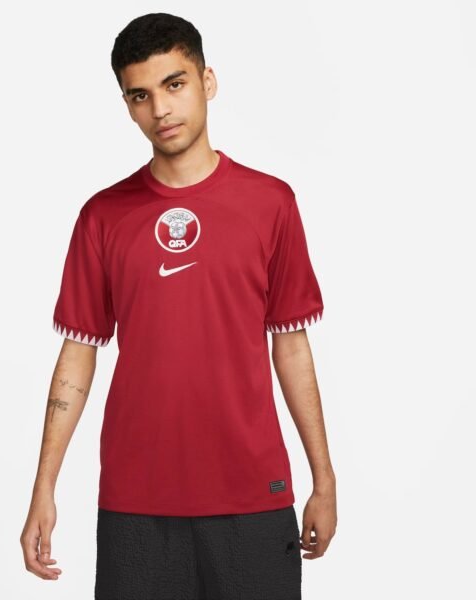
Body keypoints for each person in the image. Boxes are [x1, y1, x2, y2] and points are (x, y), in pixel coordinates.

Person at [20, 12, 337, 599]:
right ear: (127, 106)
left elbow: (291, 345)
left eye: (174, 84)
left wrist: (324, 477)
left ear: (207, 81)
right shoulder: (102, 216)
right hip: (136, 503)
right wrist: (44, 486)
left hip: (253, 496)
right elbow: (78, 356)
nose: (161, 109)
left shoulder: (271, 203)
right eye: (140, 95)